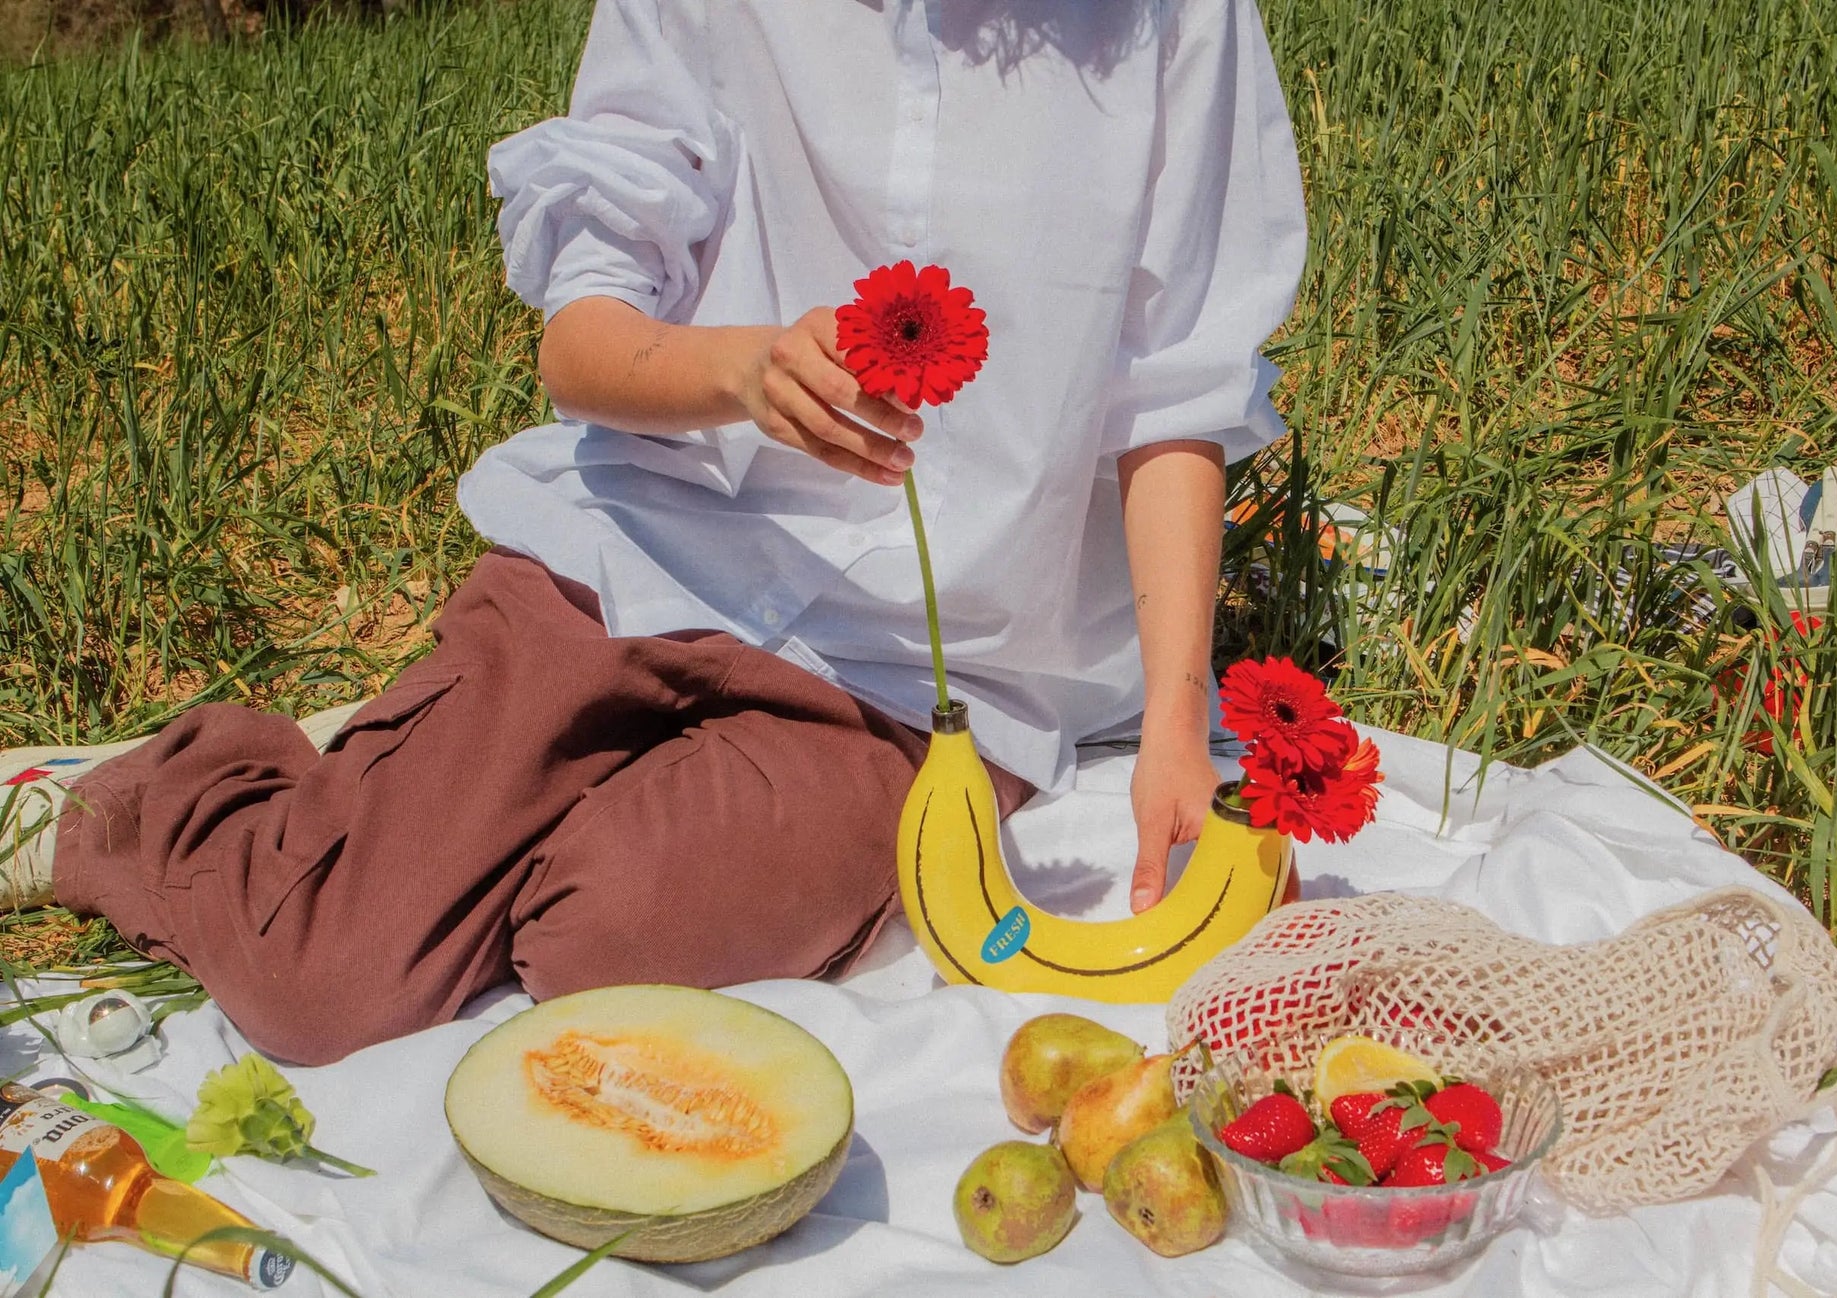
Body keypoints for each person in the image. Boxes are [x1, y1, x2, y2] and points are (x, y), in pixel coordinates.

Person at [6, 0, 1307, 1066]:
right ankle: (162, 795)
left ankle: (417, 791)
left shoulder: (1169, 22)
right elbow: (579, 341)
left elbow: (1173, 395)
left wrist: (1171, 725)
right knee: (319, 979)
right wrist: (738, 374)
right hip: (642, 551)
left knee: (600, 946)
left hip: (918, 670)